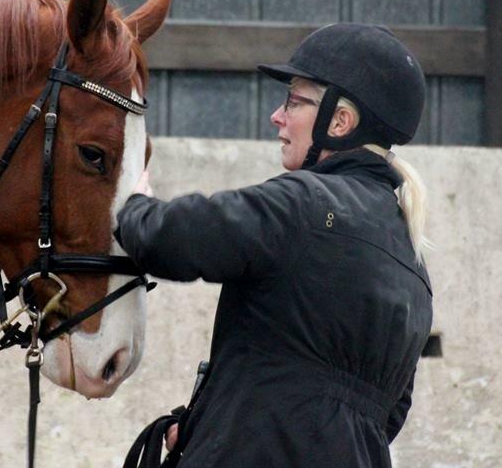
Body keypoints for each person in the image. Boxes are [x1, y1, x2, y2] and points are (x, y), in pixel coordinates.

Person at [116, 23, 434, 467]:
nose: (277, 116)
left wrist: (131, 204)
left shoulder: (304, 204)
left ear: (340, 122)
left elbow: (174, 238)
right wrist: (208, 424)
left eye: (294, 101)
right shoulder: (413, 266)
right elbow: (386, 413)